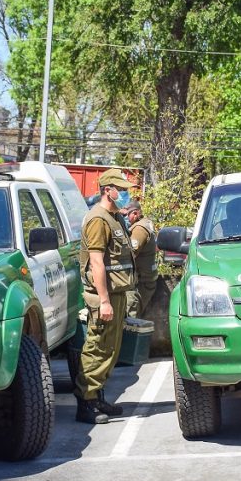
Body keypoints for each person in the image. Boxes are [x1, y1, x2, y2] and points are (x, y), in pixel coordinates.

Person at [76, 168, 136, 424]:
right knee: (97, 348)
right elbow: (97, 263)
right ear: (106, 190)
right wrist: (103, 301)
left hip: (117, 293)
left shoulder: (115, 217)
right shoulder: (98, 219)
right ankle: (86, 403)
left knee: (110, 350)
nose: (123, 193)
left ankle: (97, 396)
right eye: (119, 189)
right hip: (104, 296)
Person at [125, 199, 158, 319]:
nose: (125, 218)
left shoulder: (139, 229)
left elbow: (130, 253)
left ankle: (130, 338)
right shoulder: (145, 223)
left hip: (141, 281)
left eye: (126, 214)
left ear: (136, 213)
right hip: (145, 279)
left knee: (130, 317)